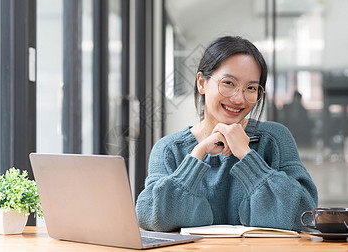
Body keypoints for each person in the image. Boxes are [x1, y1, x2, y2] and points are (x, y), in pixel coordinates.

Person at [135, 35, 318, 232]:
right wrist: (198, 154)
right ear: (201, 83)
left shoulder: (274, 139)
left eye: (251, 88)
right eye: (229, 83)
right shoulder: (169, 149)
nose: (239, 98)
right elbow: (150, 218)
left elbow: (305, 216)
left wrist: (248, 157)